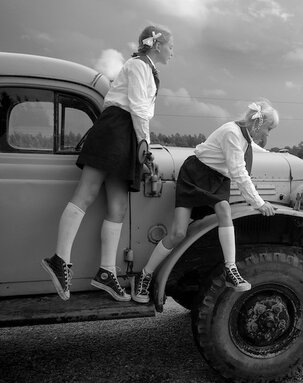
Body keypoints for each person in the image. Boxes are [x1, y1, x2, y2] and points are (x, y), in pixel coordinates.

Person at [41, 25, 174, 301]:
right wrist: (145, 146)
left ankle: (106, 271)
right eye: (170, 45)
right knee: (87, 192)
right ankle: (59, 258)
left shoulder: (149, 68)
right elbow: (138, 108)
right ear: (157, 45)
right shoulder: (137, 65)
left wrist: (141, 144)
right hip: (116, 129)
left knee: (118, 207)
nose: (173, 51)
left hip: (128, 134)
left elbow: (140, 112)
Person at [130, 100, 278, 303]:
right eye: (269, 129)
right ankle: (145, 274)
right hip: (196, 176)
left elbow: (248, 149)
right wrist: (259, 203)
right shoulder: (232, 133)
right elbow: (238, 171)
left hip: (216, 180)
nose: (268, 134)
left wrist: (272, 154)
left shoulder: (244, 137)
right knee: (178, 233)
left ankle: (230, 268)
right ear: (258, 125)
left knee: (224, 209)